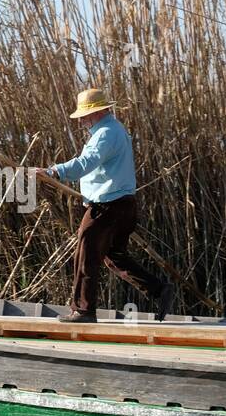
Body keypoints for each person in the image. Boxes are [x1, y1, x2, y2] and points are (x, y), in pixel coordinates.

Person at [44, 88, 176, 324]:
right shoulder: (114, 130)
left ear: (99, 111)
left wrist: (55, 171)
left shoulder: (105, 133)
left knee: (85, 254)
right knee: (114, 256)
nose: (82, 120)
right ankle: (159, 289)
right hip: (124, 205)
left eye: (85, 115)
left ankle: (83, 310)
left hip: (108, 206)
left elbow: (86, 162)